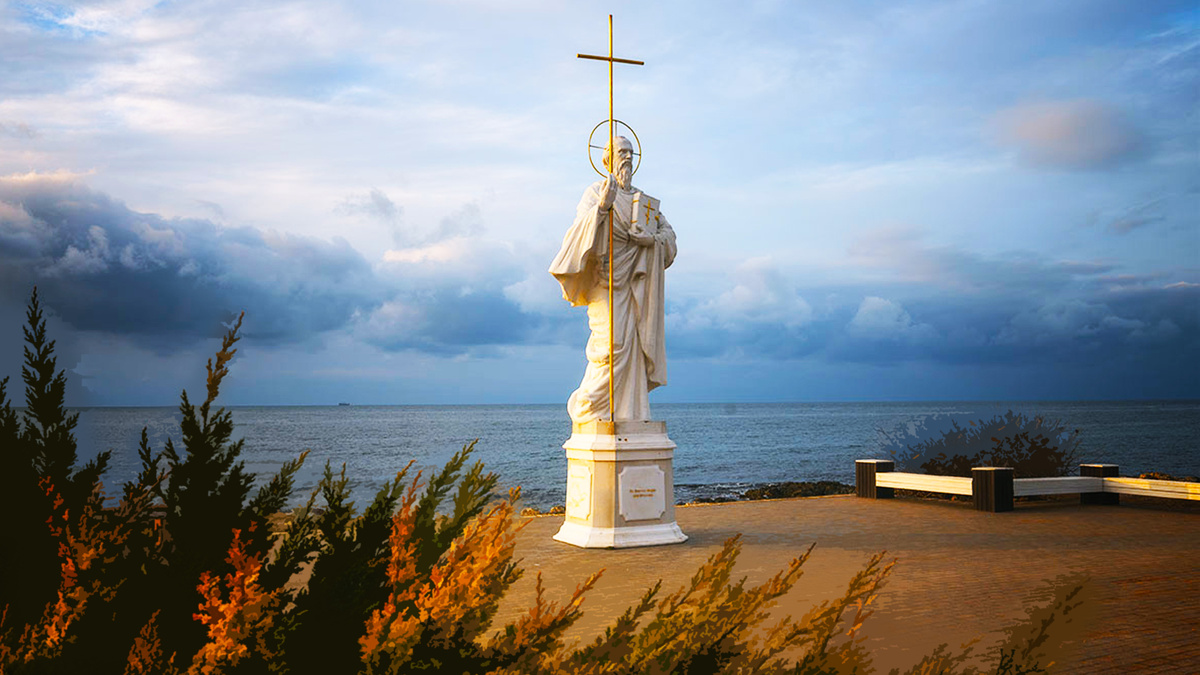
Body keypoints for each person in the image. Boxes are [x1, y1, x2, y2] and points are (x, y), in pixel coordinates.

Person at [549, 136, 677, 423]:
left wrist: (651, 240)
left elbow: (669, 237)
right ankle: (587, 407)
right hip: (605, 284)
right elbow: (577, 235)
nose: (627, 157)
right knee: (612, 345)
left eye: (630, 152)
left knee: (635, 344)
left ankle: (632, 413)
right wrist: (602, 209)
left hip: (636, 286)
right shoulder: (597, 191)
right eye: (621, 152)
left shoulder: (643, 202)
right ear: (607, 159)